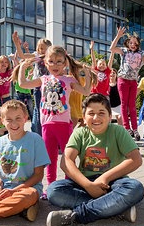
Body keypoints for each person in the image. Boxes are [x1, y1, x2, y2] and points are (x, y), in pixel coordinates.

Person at [45, 93, 144, 226]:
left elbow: (135, 159)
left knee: (135, 188)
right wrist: (88, 185)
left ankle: (77, 215)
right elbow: (66, 161)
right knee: (53, 190)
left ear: (110, 117)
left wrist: (105, 177)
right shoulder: (80, 132)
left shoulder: (118, 131)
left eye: (101, 113)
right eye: (91, 113)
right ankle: (116, 208)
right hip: (85, 182)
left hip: (114, 182)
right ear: (84, 118)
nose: (96, 118)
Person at [16, 45, 92, 199]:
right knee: (49, 158)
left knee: (68, 156)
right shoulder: (43, 79)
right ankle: (50, 186)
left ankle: (69, 184)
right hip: (46, 125)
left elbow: (86, 92)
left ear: (65, 63)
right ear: (45, 63)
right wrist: (23, 67)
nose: (55, 65)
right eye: (51, 61)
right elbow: (23, 84)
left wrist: (88, 76)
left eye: (59, 61)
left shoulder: (69, 79)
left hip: (64, 124)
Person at [110, 26, 144, 140]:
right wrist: (118, 36)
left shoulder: (142, 53)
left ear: (138, 44)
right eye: (131, 42)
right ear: (128, 43)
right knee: (124, 104)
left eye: (135, 43)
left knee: (132, 106)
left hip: (133, 81)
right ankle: (127, 128)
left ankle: (135, 129)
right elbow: (112, 48)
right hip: (122, 80)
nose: (133, 44)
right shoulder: (124, 51)